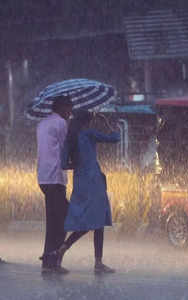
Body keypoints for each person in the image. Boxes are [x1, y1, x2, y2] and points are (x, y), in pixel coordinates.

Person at [56, 110, 120, 274]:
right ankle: (98, 262)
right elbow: (115, 138)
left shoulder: (69, 140)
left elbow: (63, 165)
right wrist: (106, 122)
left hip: (80, 184)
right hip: (95, 182)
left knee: (86, 221)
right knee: (98, 222)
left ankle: (64, 247)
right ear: (87, 122)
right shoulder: (89, 134)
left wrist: (77, 165)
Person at [36, 95, 73, 274]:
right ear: (62, 108)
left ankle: (49, 259)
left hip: (43, 177)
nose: (70, 112)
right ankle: (52, 259)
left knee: (54, 220)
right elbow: (66, 148)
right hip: (55, 177)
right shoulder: (61, 123)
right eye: (69, 108)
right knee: (64, 219)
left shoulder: (42, 124)